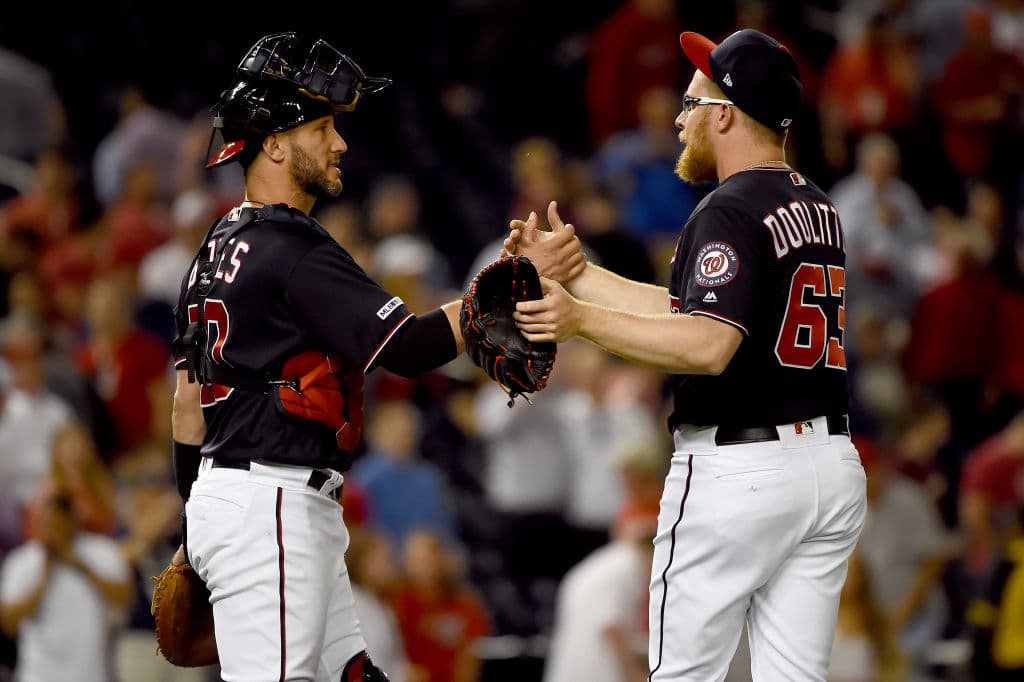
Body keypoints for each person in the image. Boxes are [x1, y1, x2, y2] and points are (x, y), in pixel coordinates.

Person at [506, 28, 867, 680]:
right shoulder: (816, 204)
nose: (678, 120)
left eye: (691, 103)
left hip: (740, 469)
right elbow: (695, 313)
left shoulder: (728, 208)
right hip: (827, 465)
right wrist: (581, 276)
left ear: (725, 114)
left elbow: (707, 344)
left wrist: (579, 319)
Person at [170, 33, 466, 681]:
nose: (341, 144)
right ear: (273, 144)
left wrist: (198, 523)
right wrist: (494, 301)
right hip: (270, 505)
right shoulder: (291, 247)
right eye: (323, 126)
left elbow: (187, 404)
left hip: (244, 497)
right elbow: (411, 348)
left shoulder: (212, 250)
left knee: (350, 674)